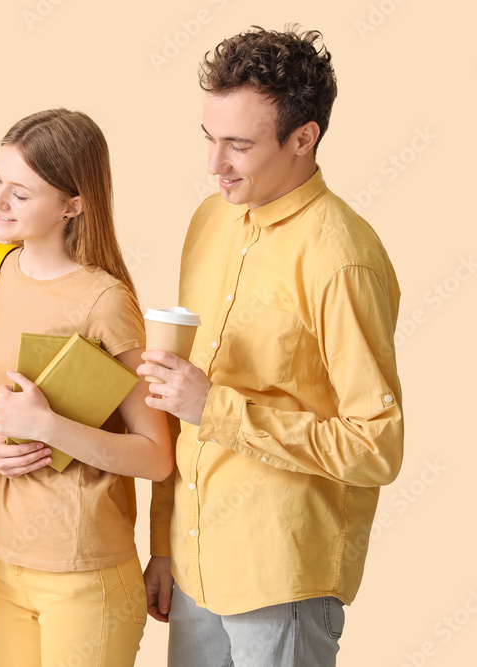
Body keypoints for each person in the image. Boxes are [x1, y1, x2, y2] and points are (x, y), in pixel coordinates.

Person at [137, 26, 404, 667]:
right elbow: (182, 394)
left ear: (303, 138)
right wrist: (166, 544)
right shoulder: (210, 220)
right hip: (196, 564)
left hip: (280, 576)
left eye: (239, 145)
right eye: (209, 138)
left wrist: (219, 408)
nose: (214, 164)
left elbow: (377, 447)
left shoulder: (342, 259)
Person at [0, 108, 173, 666]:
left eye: (21, 193)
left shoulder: (105, 301)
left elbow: (156, 456)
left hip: (85, 570)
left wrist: (48, 426)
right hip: (4, 556)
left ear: (73, 204)